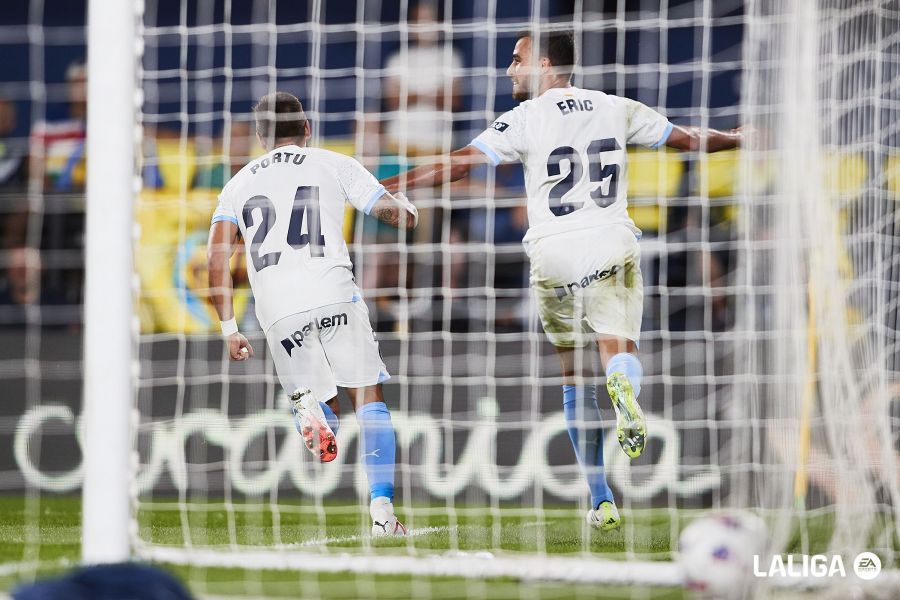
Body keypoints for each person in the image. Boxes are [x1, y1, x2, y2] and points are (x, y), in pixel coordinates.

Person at [380, 30, 743, 530]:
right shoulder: (615, 105)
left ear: (546, 65)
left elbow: (458, 165)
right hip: (610, 240)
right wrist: (737, 138)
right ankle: (622, 381)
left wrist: (385, 186)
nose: (510, 69)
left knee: (574, 377)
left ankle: (601, 500)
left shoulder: (525, 117)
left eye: (517, 59)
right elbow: (689, 139)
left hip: (553, 251)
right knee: (617, 352)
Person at [207, 92, 418, 536]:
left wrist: (229, 329)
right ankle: (382, 514)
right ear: (307, 128)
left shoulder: (237, 185)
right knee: (368, 397)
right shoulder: (333, 162)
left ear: (261, 138)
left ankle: (313, 413)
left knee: (323, 405)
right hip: (334, 293)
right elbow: (390, 214)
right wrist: (409, 211)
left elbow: (215, 259)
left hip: (277, 311)